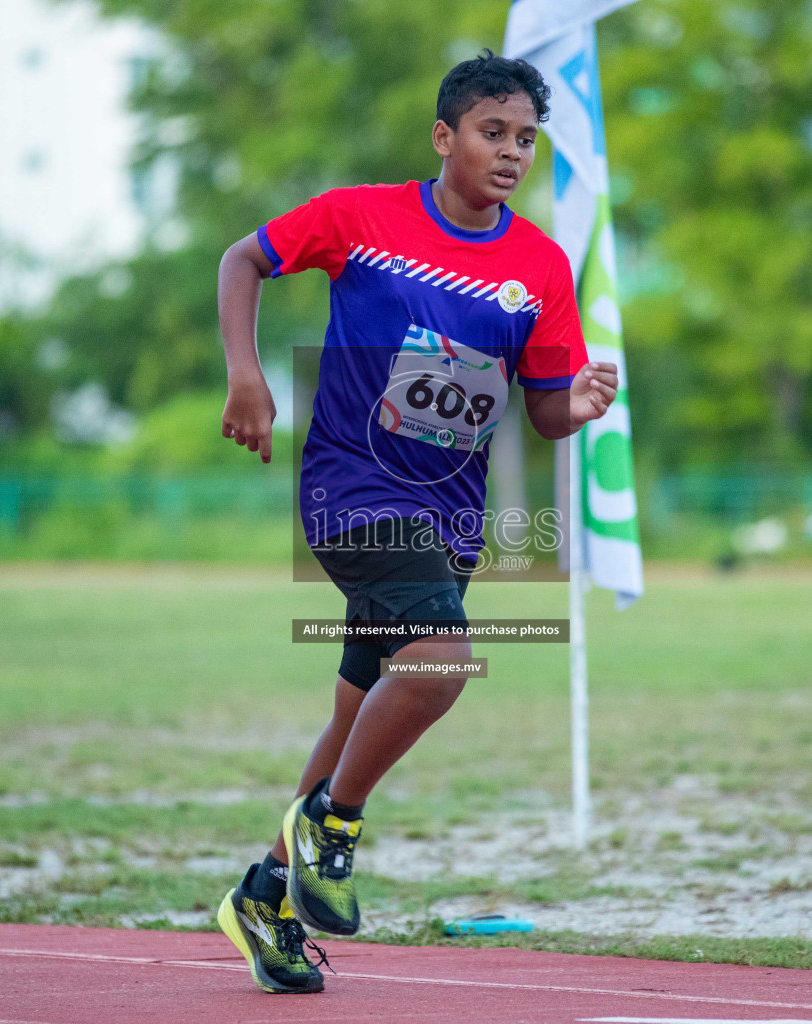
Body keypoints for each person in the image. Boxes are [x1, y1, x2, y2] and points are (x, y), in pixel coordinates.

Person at [212, 51, 616, 995]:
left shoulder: (539, 267)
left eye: (526, 139)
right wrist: (245, 374)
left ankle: (266, 897)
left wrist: (580, 402)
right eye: (492, 132)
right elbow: (245, 259)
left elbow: (545, 410)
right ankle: (333, 828)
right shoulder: (363, 217)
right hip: (352, 489)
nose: (512, 152)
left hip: (450, 518)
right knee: (441, 658)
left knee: (358, 716)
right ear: (444, 137)